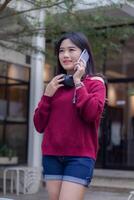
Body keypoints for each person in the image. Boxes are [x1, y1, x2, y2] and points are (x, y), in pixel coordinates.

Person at [33, 32, 106, 200]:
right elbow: (39, 124)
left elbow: (91, 113)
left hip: (80, 157)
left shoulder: (95, 82)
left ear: (84, 54)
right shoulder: (55, 85)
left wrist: (78, 82)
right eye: (61, 51)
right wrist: (47, 95)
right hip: (52, 155)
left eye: (71, 50)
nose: (65, 55)